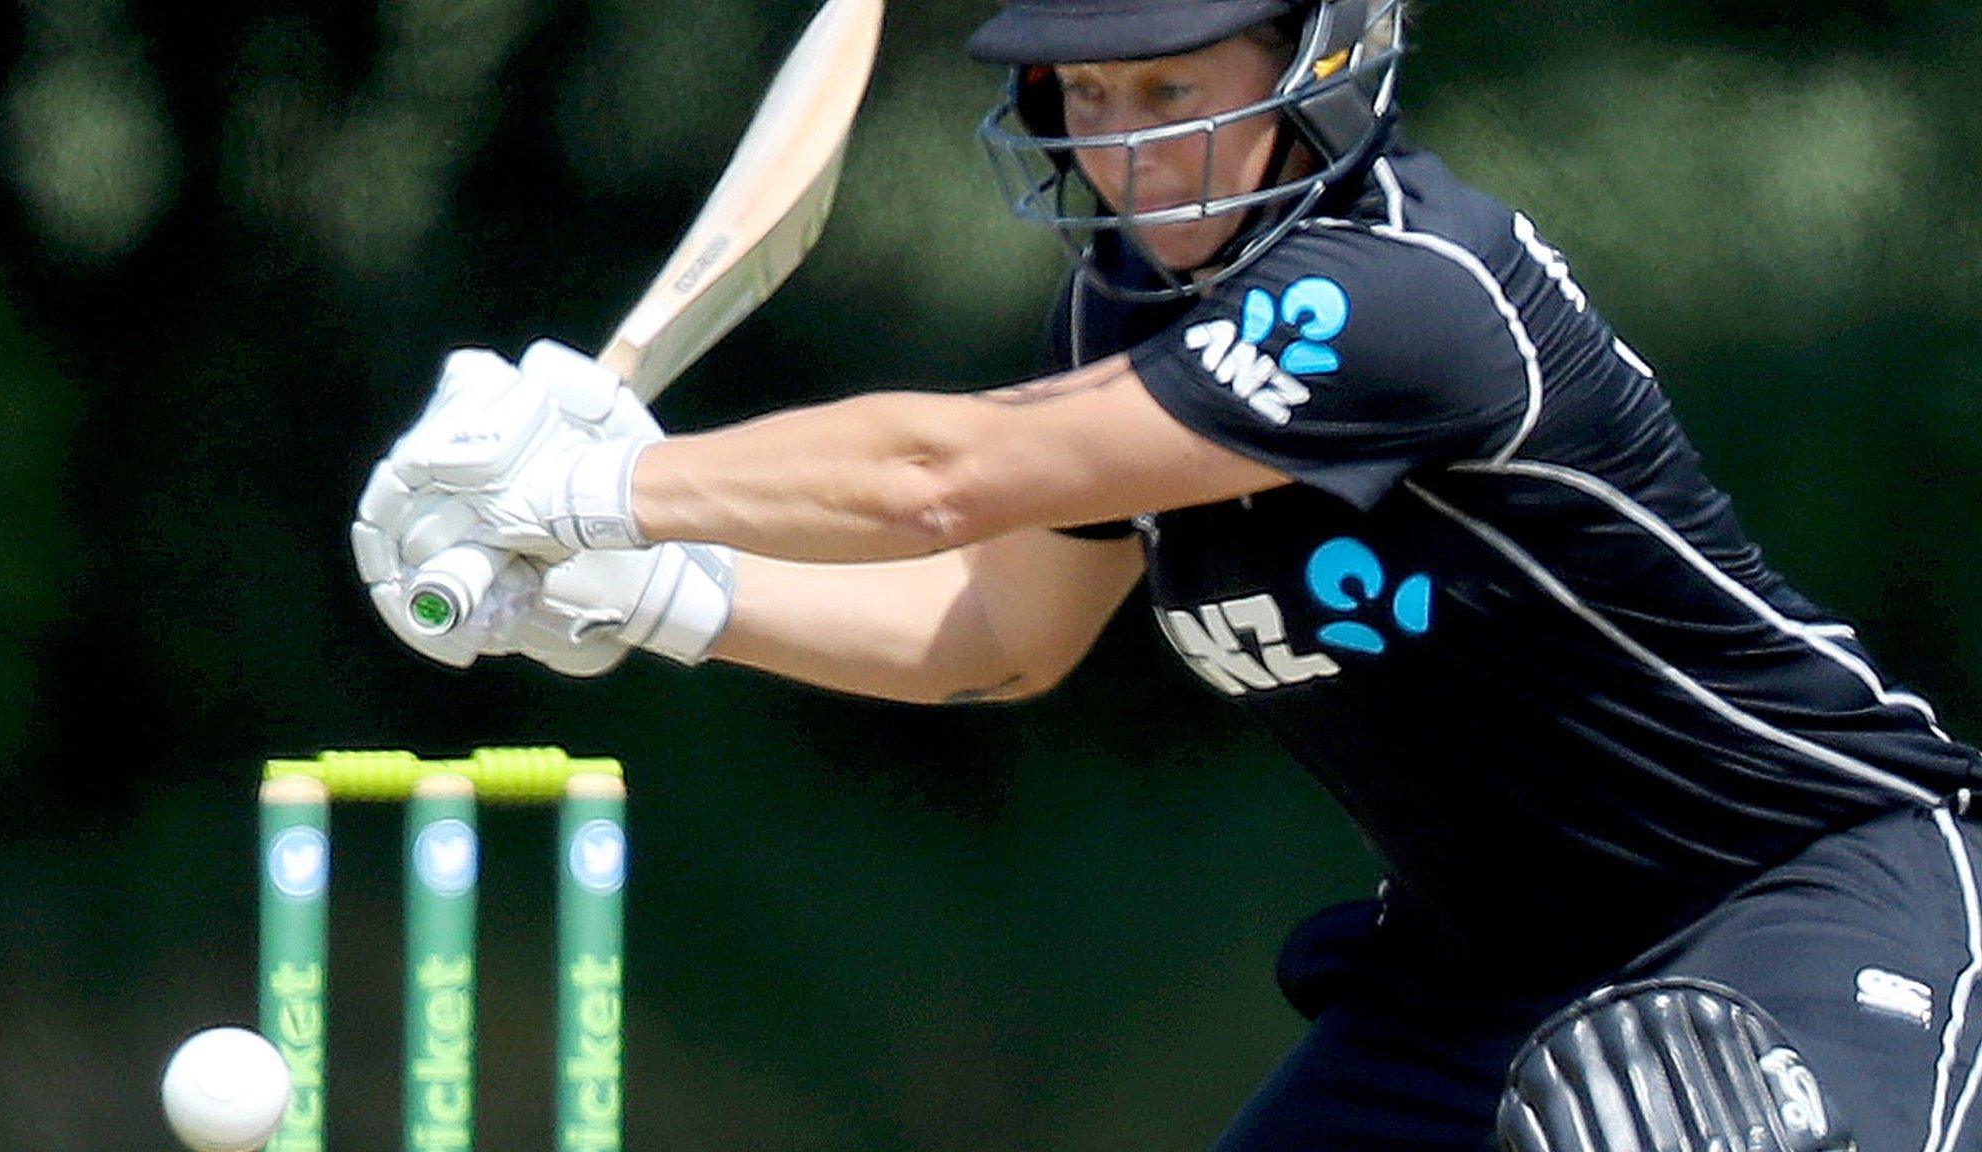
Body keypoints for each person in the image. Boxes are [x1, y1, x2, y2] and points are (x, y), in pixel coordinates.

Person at [351, 0, 1982, 1147]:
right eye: (1091, 98)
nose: (1128, 149)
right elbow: (987, 631)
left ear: (1321, 56)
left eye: (1172, 87)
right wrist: (660, 595)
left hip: (1797, 898)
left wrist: (590, 485)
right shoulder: (1128, 317)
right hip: (1475, 979)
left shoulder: (1408, 296)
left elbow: (944, 480)